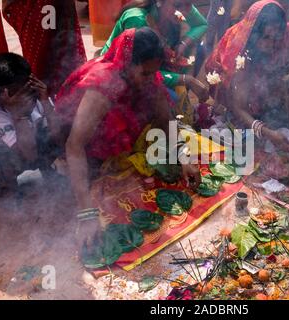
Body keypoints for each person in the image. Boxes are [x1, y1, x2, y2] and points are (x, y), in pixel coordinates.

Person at [55, 27, 201, 247]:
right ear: (126, 63)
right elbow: (74, 146)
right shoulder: (104, 85)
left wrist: (183, 157)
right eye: (145, 73)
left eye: (154, 72)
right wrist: (86, 211)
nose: (151, 79)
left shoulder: (149, 78)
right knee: (102, 218)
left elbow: (166, 120)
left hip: (115, 149)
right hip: (80, 155)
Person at [206, 0, 289, 152]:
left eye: (277, 38)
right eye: (267, 38)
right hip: (240, 103)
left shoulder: (284, 33)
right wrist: (268, 133)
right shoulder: (240, 54)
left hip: (265, 91)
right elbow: (238, 108)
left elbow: (287, 58)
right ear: (254, 34)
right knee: (245, 143)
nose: (273, 44)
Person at [101, 0, 209, 102]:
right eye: (177, 6)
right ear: (159, 2)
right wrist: (186, 79)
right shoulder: (137, 20)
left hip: (152, 66)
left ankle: (179, 100)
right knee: (172, 100)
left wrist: (183, 44)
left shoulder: (180, 6)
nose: (184, 12)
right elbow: (136, 69)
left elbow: (202, 24)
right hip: (123, 73)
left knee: (199, 50)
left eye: (188, 5)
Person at [0, 53, 61, 186]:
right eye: (19, 91)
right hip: (21, 170)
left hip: (44, 159)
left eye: (28, 86)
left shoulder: (35, 97)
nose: (26, 95)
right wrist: (19, 116)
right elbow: (30, 156)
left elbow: (59, 137)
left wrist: (46, 101)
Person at [2, 0, 86, 96]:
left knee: (64, 49)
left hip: (55, 7)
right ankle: (42, 98)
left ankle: (65, 95)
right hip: (33, 9)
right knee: (39, 57)